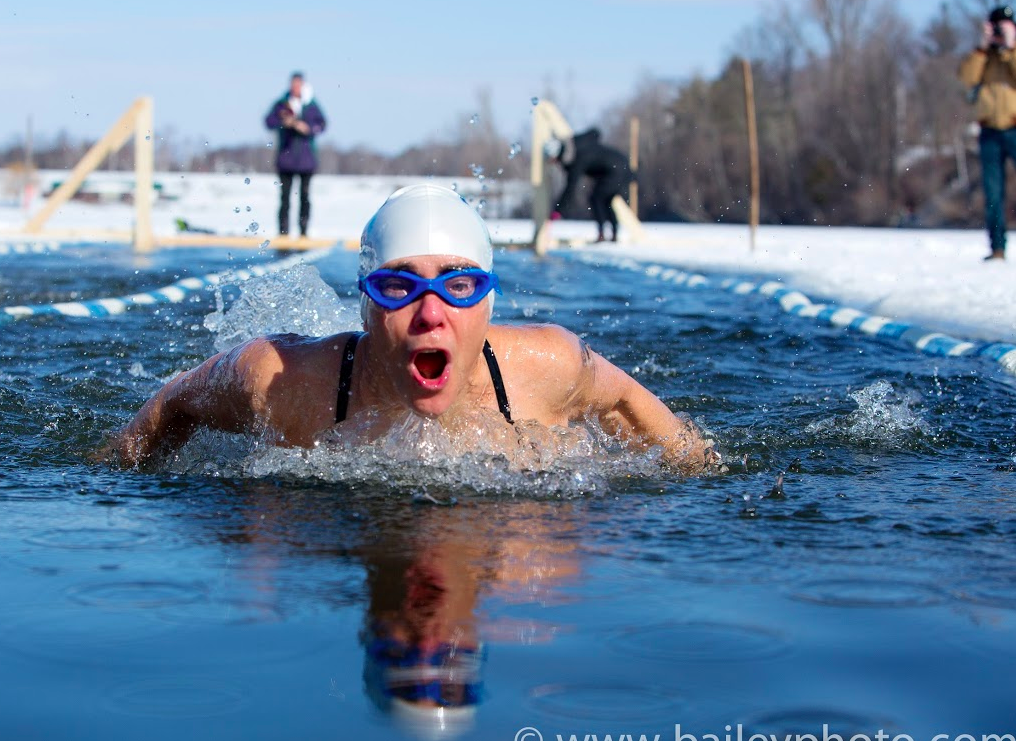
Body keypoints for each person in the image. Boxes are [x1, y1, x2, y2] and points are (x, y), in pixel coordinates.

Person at [110, 184, 714, 472]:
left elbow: (651, 421)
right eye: (399, 287)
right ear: (365, 305)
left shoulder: (550, 368)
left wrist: (704, 477)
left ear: (489, 303)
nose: (431, 314)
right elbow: (175, 400)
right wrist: (111, 480)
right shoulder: (280, 380)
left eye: (459, 285)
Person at [959, 4, 1016, 262]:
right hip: (989, 131)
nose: (998, 33)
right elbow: (967, 78)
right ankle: (997, 248)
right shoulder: (982, 57)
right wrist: (983, 46)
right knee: (993, 193)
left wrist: (1011, 46)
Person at [264, 72, 327, 237]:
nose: (295, 88)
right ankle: (283, 232)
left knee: (304, 196)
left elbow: (322, 124)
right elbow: (268, 121)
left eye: (298, 85)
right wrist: (283, 123)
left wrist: (307, 128)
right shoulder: (282, 104)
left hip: (306, 160)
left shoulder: (311, 105)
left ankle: (303, 232)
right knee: (284, 197)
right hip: (286, 159)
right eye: (293, 85)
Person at [547, 128, 635, 243]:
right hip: (619, 166)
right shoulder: (575, 144)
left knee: (596, 198)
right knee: (606, 200)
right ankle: (613, 234)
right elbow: (595, 133)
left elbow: (570, 189)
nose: (555, 164)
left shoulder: (576, 159)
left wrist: (558, 210)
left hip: (616, 170)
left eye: (554, 160)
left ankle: (603, 234)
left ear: (559, 155)